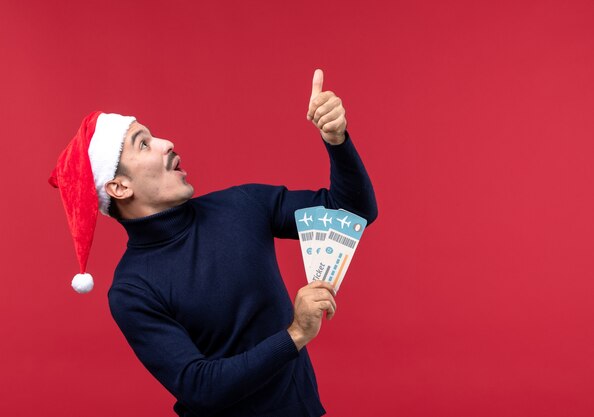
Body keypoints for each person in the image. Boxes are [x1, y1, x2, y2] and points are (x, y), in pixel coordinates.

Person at [49, 69, 377, 417]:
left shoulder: (244, 205)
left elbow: (352, 213)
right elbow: (200, 387)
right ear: (119, 188)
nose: (166, 143)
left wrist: (337, 141)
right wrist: (295, 335)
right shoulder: (132, 289)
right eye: (143, 144)